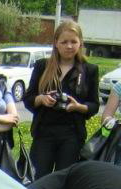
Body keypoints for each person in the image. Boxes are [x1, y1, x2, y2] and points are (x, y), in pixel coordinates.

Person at [23, 20, 99, 178]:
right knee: (39, 178)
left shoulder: (89, 70)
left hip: (72, 135)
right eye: (64, 42)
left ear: (81, 43)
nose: (69, 46)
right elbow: (28, 98)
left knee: (65, 180)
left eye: (73, 42)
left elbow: (94, 105)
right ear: (56, 43)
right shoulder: (42, 66)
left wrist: (79, 107)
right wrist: (41, 99)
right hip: (44, 132)